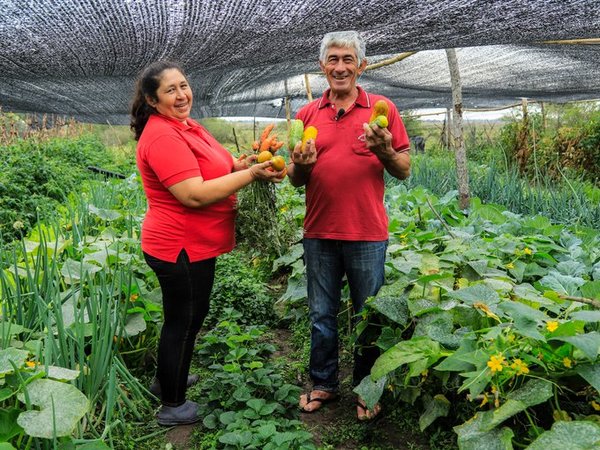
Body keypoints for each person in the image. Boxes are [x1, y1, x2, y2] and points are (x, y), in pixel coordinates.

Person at [130, 60, 284, 426]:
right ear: (153, 100)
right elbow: (193, 195)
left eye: (183, 85)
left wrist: (243, 162)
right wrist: (250, 174)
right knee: (183, 322)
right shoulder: (164, 136)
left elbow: (222, 162)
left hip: (194, 244)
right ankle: (172, 404)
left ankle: (168, 378)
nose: (182, 95)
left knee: (184, 318)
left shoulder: (186, 126)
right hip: (179, 246)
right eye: (171, 90)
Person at [287, 31, 410, 421]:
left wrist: (385, 150)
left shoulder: (383, 109)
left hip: (367, 233)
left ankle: (366, 387)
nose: (340, 66)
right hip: (319, 231)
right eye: (333, 59)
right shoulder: (306, 115)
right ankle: (323, 382)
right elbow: (294, 177)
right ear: (323, 66)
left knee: (366, 314)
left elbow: (404, 169)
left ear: (362, 65)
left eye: (348, 59)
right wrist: (302, 166)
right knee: (321, 314)